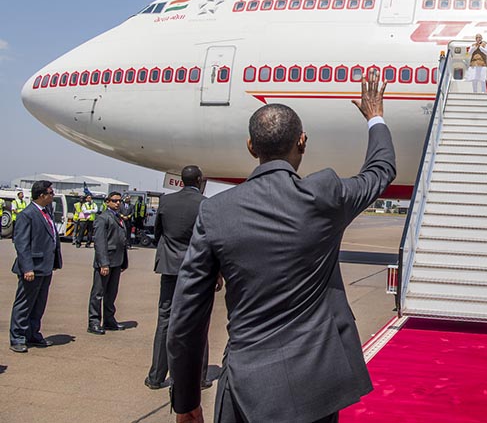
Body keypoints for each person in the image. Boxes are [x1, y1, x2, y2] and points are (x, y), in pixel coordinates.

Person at [167, 69, 396, 423]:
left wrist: (186, 403)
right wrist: (375, 116)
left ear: (251, 146)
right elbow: (380, 170)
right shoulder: (325, 195)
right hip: (316, 388)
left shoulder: (215, 212)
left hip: (246, 390)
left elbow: (186, 318)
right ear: (302, 142)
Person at [146, 166, 213, 391]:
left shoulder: (165, 201)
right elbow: (209, 239)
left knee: (165, 320)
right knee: (198, 321)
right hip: (196, 270)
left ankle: (156, 377)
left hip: (169, 267)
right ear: (199, 180)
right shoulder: (204, 204)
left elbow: (158, 233)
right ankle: (199, 377)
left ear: (181, 180)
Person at [9, 181, 62, 353]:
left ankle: (32, 333)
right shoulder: (27, 214)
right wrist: (27, 268)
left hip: (45, 266)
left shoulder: (47, 212)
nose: (53, 195)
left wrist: (54, 261)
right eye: (50, 192)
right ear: (41, 195)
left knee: (39, 304)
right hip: (32, 267)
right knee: (24, 304)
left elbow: (52, 237)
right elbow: (22, 244)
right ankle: (17, 337)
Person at [87, 191, 129, 335]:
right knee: (98, 293)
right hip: (106, 262)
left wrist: (123, 262)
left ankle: (109, 320)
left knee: (111, 293)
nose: (117, 203)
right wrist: (103, 263)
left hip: (116, 261)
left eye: (119, 201)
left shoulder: (118, 217)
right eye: (114, 201)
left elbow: (122, 240)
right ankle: (94, 322)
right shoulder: (103, 218)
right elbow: (100, 242)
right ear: (107, 202)